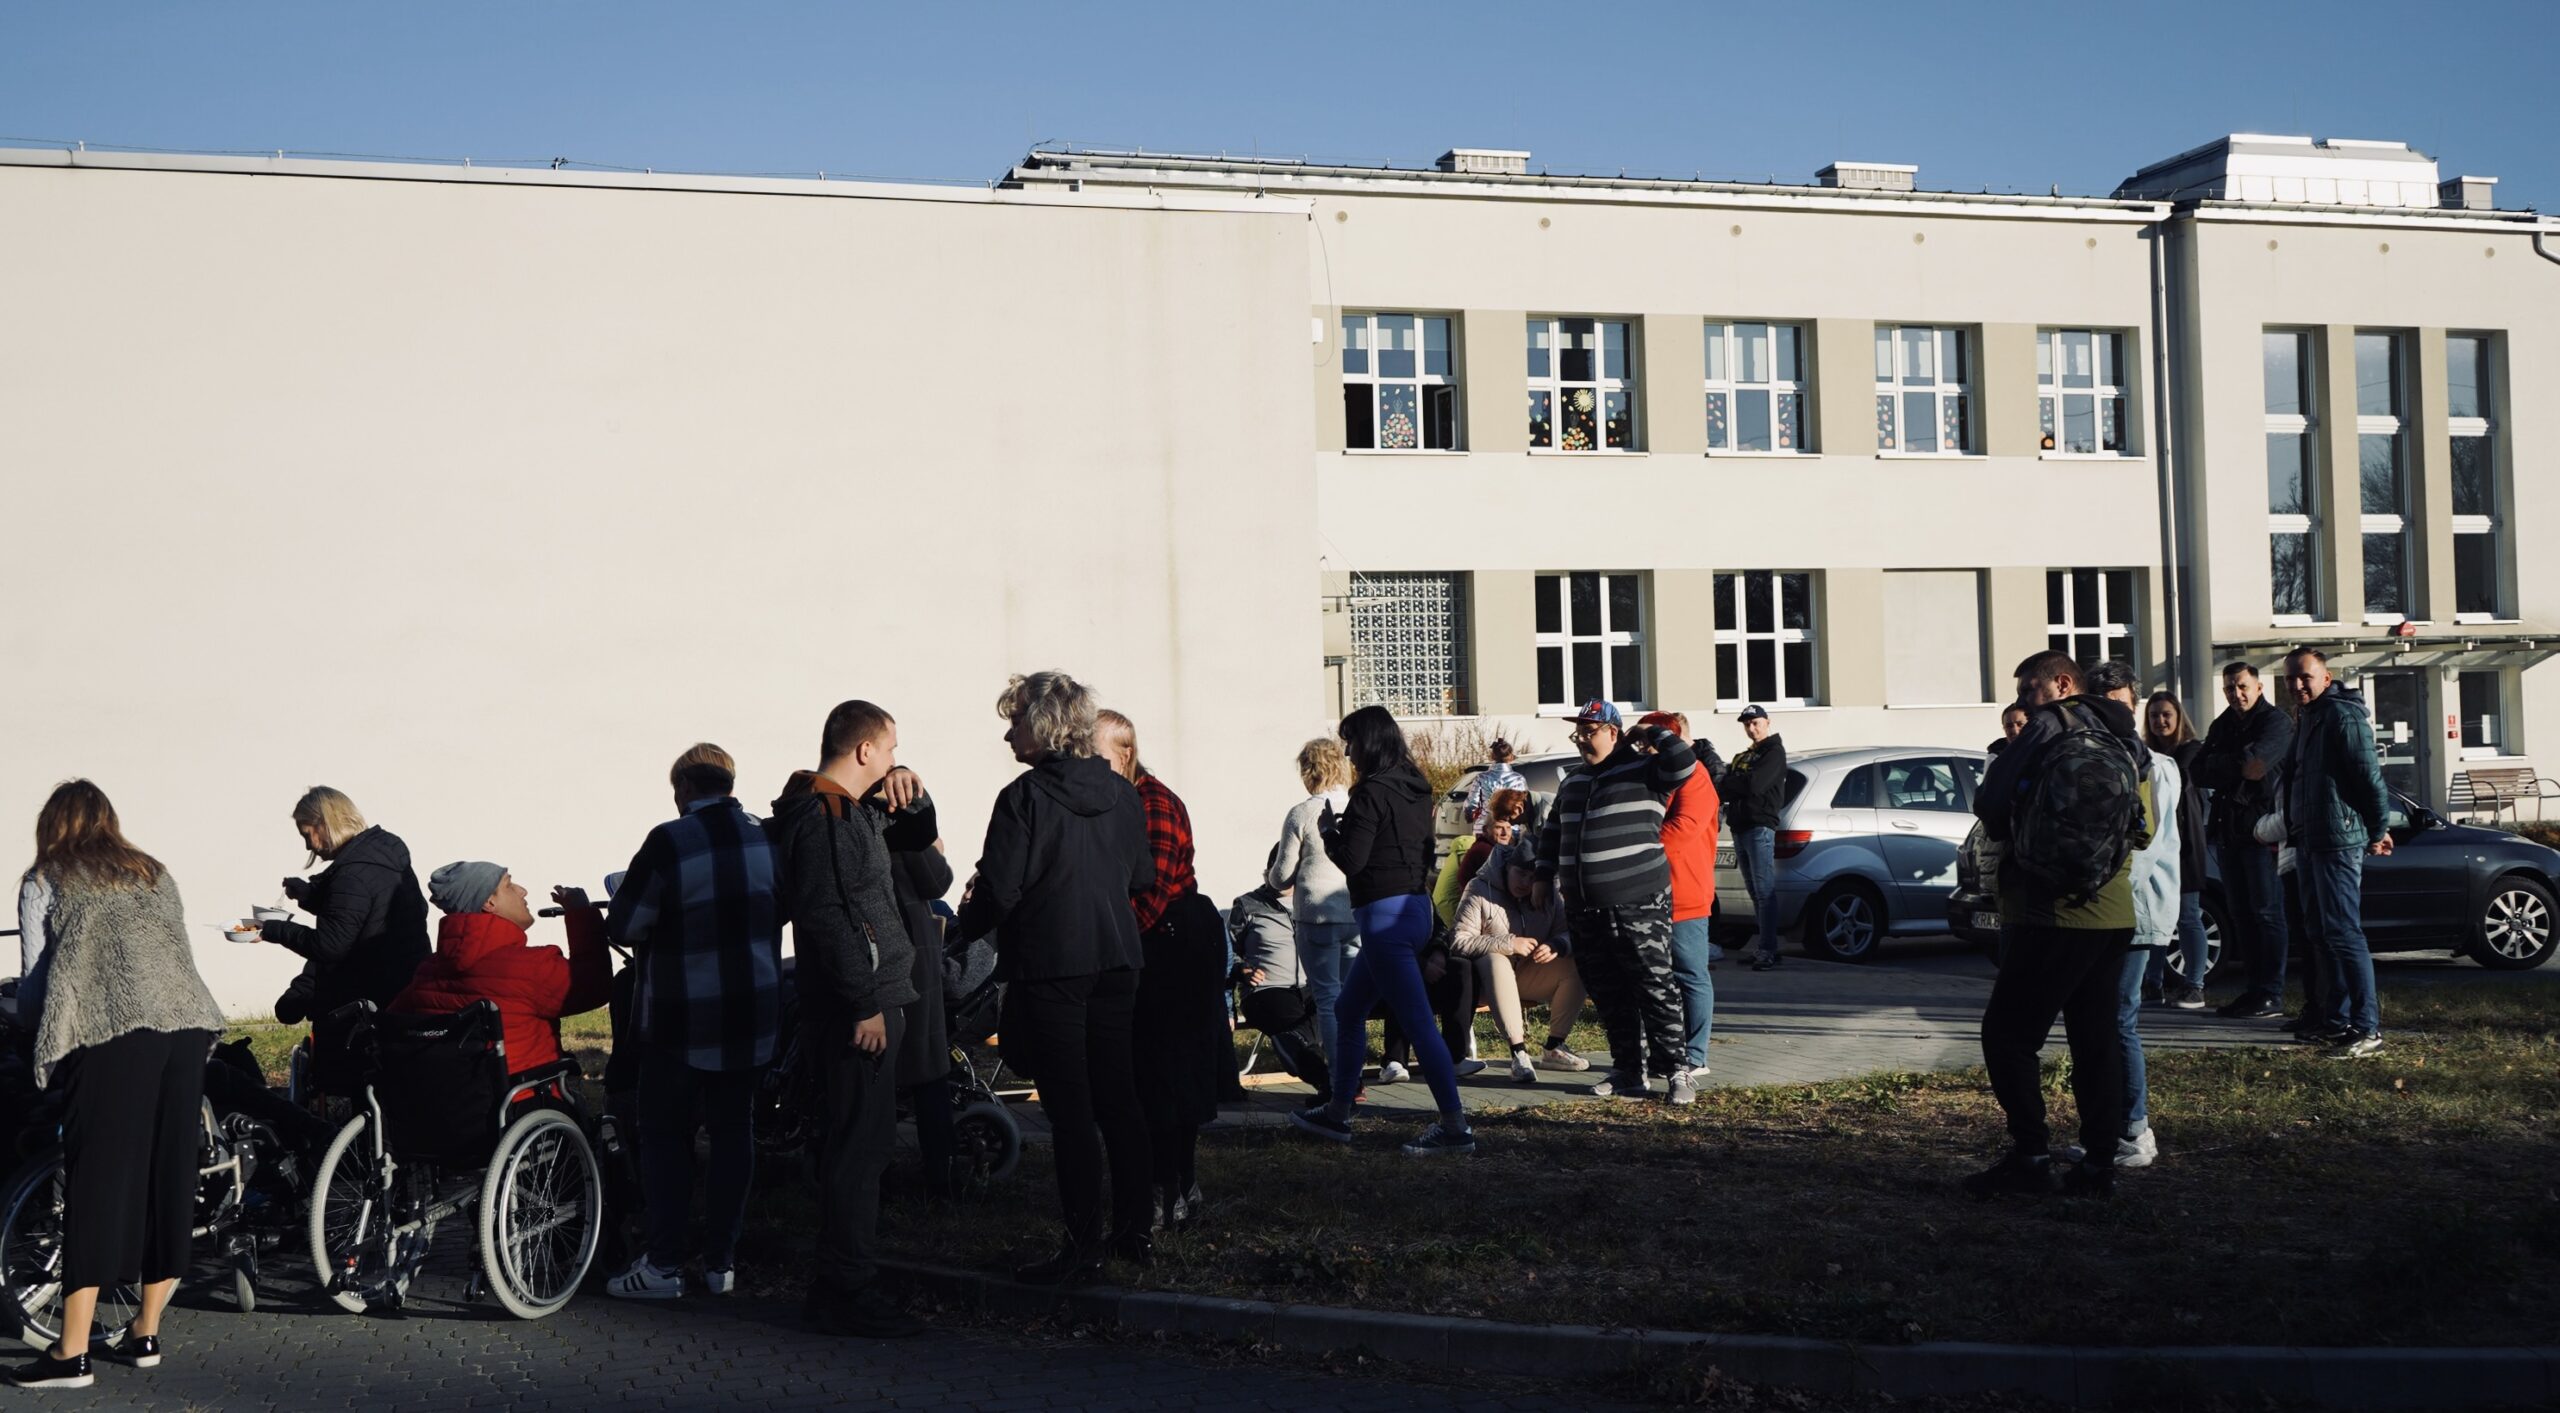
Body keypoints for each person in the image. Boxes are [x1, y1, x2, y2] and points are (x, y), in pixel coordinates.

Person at [10, 781, 225, 1390]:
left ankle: (71, 1353)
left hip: (112, 1031)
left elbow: (36, 983)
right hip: (184, 1028)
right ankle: (145, 1331)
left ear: (52, 825)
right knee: (167, 1174)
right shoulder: (152, 872)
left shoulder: (45, 878)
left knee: (98, 1181)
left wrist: (30, 1025)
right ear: (109, 821)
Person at [956, 672, 1156, 1284]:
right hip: (1117, 958)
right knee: (1119, 1101)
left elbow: (1000, 891)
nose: (1008, 735)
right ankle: (1134, 1236)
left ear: (1043, 725)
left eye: (1014, 721)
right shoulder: (1122, 792)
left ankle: (1081, 1247)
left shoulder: (1023, 798)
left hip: (1051, 964)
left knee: (1070, 1110)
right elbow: (1142, 877)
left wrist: (961, 931)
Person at [600, 743, 783, 1301]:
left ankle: (664, 1265)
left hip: (680, 1020)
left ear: (682, 789)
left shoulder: (669, 840)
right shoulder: (768, 839)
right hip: (751, 1014)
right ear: (730, 784)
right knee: (733, 1134)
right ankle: (721, 1264)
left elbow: (625, 926)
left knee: (665, 1137)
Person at [1965, 651, 2150, 1199]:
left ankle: (2031, 1157)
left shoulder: (2047, 726)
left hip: (2048, 912)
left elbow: (1989, 804)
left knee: (2007, 1037)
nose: (2022, 701)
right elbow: (2143, 830)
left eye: (2029, 689)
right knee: (2096, 1041)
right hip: (2112, 912)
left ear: (2063, 683)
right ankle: (2099, 1166)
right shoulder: (2126, 738)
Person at [770, 701, 925, 1338]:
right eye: (890, 749)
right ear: (864, 750)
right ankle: (845, 1290)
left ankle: (842, 1283)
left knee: (861, 1143)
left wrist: (912, 785)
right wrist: (864, 1004)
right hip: (858, 1009)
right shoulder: (825, 815)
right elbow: (827, 914)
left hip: (867, 1000)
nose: (893, 760)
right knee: (859, 1149)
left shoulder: (847, 810)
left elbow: (915, 830)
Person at [1289, 704, 1473, 1156]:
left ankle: (1455, 1128)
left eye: (1351, 742)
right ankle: (1337, 1113)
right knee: (1349, 1009)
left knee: (1417, 1024)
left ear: (1368, 742)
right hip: (1414, 908)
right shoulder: (1416, 787)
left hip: (1385, 919)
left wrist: (1328, 831)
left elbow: (1352, 861)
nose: (1348, 752)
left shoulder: (1371, 792)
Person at [1096, 710, 1227, 1232]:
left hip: (1172, 946)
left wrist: (1102, 941)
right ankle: (1172, 1186)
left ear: (1125, 753)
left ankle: (1171, 1187)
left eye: (1096, 756)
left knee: (1169, 1075)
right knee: (1153, 1075)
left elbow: (1151, 896)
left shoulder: (1154, 803)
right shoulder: (1118, 800)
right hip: (1151, 943)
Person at [1532, 701, 1697, 1103]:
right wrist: (1542, 875)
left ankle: (1677, 1071)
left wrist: (1649, 732)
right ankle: (1627, 1071)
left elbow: (1684, 761)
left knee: (1654, 986)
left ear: (1613, 732)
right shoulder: (1574, 781)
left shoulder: (1646, 770)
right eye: (1578, 732)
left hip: (1637, 902)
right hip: (1584, 908)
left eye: (1589, 731)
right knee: (1608, 993)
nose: (1581, 740)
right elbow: (1553, 831)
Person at [2278, 650, 2392, 1058]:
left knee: (2343, 933)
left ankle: (2367, 1028)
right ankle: (2336, 1019)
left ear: (2326, 678)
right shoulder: (2309, 717)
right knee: (2321, 933)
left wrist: (2378, 830)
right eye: (2290, 678)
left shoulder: (2342, 717)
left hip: (2338, 841)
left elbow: (2369, 778)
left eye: (2305, 677)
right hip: (2310, 840)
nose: (2297, 685)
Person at [392, 863, 613, 1073]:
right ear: (489, 902)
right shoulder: (529, 968)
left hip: (448, 1097)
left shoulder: (427, 971)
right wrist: (581, 914)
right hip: (524, 1094)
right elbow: (594, 986)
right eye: (508, 885)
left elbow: (391, 1024)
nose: (522, 891)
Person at [2090, 663, 2176, 1172]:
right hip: (2105, 909)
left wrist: (2104, 887)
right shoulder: (2098, 760)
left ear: (2134, 706)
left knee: (2120, 1019)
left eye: (2120, 703)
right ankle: (2108, 1131)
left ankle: (2136, 1130)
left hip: (2136, 909)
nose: (2111, 713)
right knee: (2101, 1020)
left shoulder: (2156, 767)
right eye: (2102, 704)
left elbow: (2149, 846)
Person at [258, 786, 429, 1030]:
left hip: (368, 1002)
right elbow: (363, 911)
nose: (308, 846)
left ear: (325, 824)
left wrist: (270, 929)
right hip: (406, 982)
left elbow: (328, 946)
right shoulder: (384, 852)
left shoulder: (350, 876)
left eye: (307, 835)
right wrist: (310, 895)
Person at [2192, 662, 2295, 1021]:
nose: (2236, 694)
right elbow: (2198, 770)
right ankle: (2253, 991)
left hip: (2261, 830)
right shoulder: (2223, 724)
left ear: (2258, 687)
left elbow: (2255, 767)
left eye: (2242, 686)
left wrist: (2226, 763)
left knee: (2266, 913)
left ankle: (2271, 993)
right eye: (2229, 688)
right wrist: (2235, 762)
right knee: (2241, 914)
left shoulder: (2276, 722)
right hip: (2229, 829)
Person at [878, 779, 958, 1205]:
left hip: (875, 955)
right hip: (913, 953)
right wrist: (933, 847)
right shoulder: (901, 823)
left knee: (877, 1078)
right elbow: (937, 880)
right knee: (929, 1075)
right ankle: (941, 1181)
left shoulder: (846, 816)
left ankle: (877, 1179)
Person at [1448, 845, 1589, 1082]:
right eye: (1520, 873)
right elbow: (1458, 941)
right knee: (1495, 959)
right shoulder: (1480, 888)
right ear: (1507, 867)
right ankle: (1519, 1053)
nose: (1525, 882)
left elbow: (1569, 932)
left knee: (1577, 962)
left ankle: (1555, 1046)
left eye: (1533, 878)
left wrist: (1556, 944)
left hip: (1527, 974)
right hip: (1485, 982)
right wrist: (1509, 943)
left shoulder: (1549, 892)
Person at [1637, 710, 1721, 1097]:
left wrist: (1634, 847)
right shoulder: (1655, 775)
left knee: (1689, 973)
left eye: (1648, 743)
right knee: (1656, 978)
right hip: (1651, 890)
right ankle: (1665, 1053)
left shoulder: (1695, 776)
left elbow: (1682, 829)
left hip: (1685, 892)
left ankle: (1695, 1055)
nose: (1643, 750)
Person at [1268, 739, 1357, 1076]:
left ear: (1309, 771)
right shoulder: (1357, 807)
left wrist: (1273, 877)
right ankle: (1354, 1074)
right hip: (1355, 914)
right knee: (1352, 1001)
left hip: (1317, 916)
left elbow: (1282, 875)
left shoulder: (1302, 813)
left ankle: (1339, 1079)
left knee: (1328, 1001)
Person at [1225, 868, 1333, 1098]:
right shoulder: (1247, 905)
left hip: (1310, 985)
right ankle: (1331, 1086)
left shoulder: (1311, 901)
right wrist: (1242, 969)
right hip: (1267, 989)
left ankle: (1331, 1087)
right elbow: (1228, 952)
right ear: (1266, 873)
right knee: (1296, 1029)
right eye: (1277, 871)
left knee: (1331, 1010)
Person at [2143, 693, 2212, 1010]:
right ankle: (2152, 984)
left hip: (2184, 845)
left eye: (2166, 714)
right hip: (2155, 845)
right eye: (2154, 715)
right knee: (2153, 917)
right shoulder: (2147, 753)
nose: (2160, 721)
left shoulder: (2190, 752)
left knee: (2187, 916)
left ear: (2178, 716)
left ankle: (2195, 986)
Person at [1723, 706, 1789, 970]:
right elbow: (1724, 785)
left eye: (1755, 723)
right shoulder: (1747, 755)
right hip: (1740, 826)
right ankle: (1764, 946)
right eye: (1747, 724)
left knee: (1764, 892)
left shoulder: (1774, 752)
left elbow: (1754, 785)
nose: (1751, 728)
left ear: (1767, 722)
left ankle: (1768, 950)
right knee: (1754, 892)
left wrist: (1733, 782)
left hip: (1759, 826)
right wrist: (1733, 783)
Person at [1461, 738, 1528, 825]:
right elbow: (1524, 804)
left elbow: (1471, 804)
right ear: (1511, 757)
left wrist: (1469, 816)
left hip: (1486, 824)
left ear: (1492, 756)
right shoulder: (1519, 779)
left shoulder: (1481, 778)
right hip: (1511, 826)